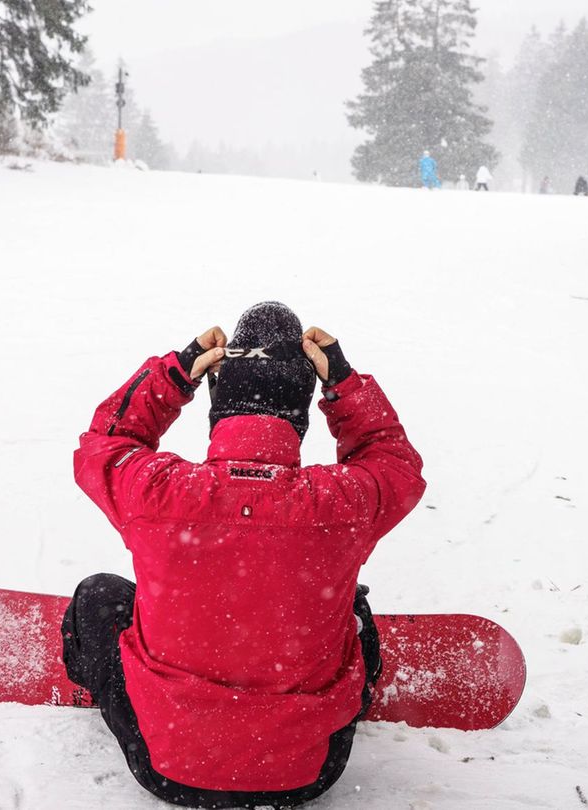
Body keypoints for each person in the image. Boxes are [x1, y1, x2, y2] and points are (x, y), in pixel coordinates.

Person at [66, 302, 425, 808]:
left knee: (99, 596)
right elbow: (395, 461)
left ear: (219, 401)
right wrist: (343, 382)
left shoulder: (158, 491)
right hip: (309, 772)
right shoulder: (342, 502)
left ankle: (121, 686)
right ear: (300, 413)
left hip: (167, 765)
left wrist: (175, 373)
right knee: (351, 605)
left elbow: (105, 442)